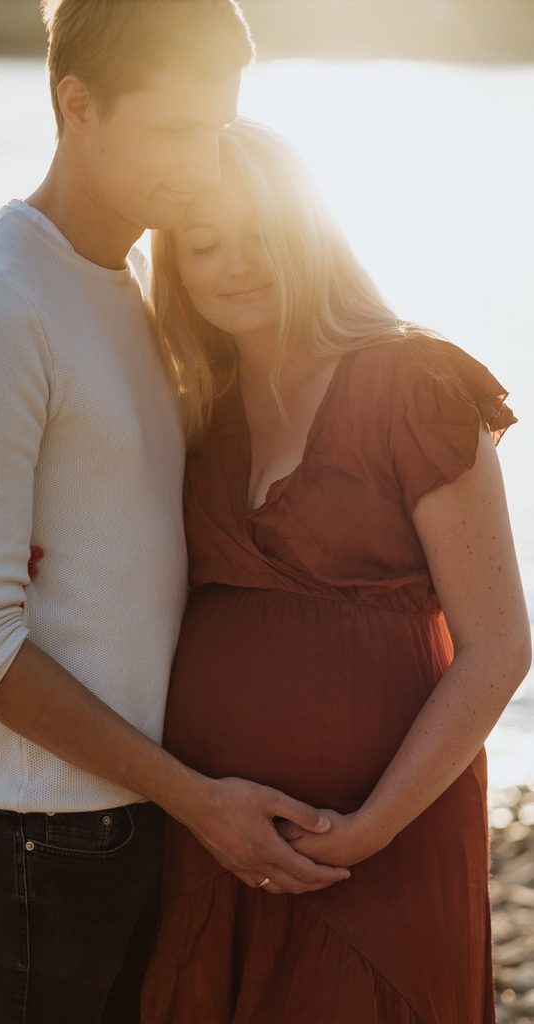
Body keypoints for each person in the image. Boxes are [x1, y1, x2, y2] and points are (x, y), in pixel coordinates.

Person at [0, 6, 351, 1023]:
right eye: (175, 130)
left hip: (129, 812)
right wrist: (197, 798)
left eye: (220, 125)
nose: (205, 164)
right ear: (76, 106)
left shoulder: (139, 276)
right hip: (39, 837)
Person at [135, 119, 532, 1022]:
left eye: (262, 237)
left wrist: (368, 828)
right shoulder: (196, 411)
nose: (236, 265)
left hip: (384, 843)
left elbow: (498, 646)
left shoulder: (414, 383)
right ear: (177, 265)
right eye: (205, 244)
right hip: (216, 839)